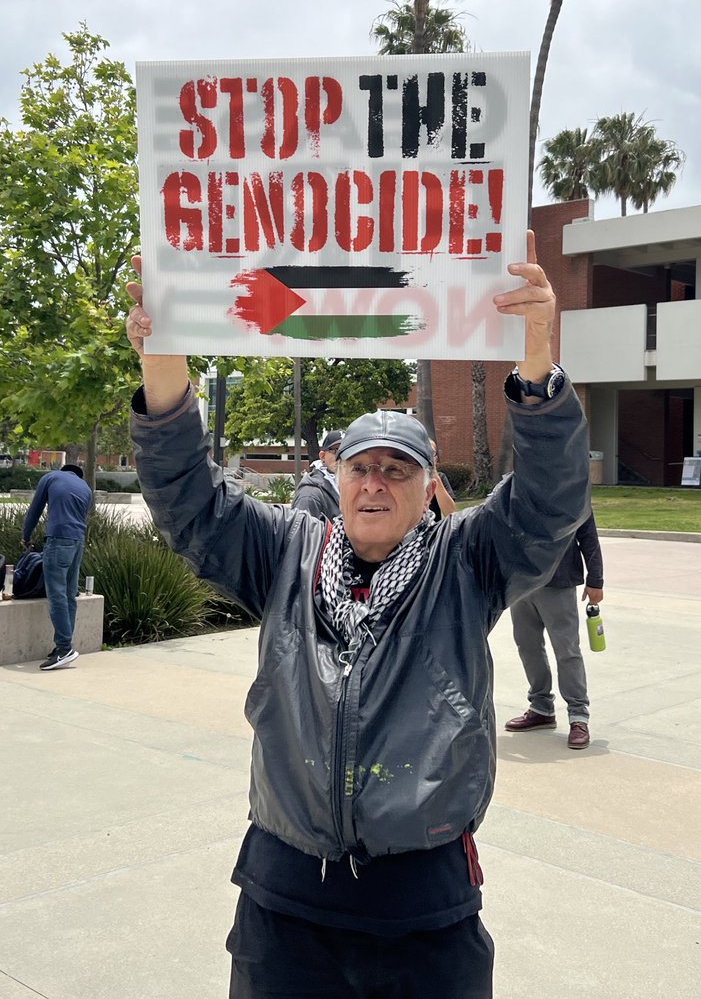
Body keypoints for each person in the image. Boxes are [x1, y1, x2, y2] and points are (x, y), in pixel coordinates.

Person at [126, 232, 589, 999]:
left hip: (423, 903)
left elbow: (547, 502)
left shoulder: (465, 564)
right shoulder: (285, 552)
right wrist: (163, 356)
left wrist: (535, 353)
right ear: (335, 478)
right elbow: (189, 503)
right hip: (284, 896)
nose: (374, 483)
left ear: (429, 488)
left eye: (396, 469)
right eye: (360, 467)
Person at [505, 512, 604, 749]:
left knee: (566, 650)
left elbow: (589, 537)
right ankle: (541, 708)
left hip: (559, 581)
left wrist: (595, 580)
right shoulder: (514, 493)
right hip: (520, 582)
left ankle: (578, 716)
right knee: (527, 646)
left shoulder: (572, 495)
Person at [21, 464, 92, 671]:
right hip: (77, 542)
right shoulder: (86, 488)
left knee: (57, 595)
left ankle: (64, 648)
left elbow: (35, 510)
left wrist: (26, 536)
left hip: (58, 539)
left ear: (63, 470)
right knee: (69, 595)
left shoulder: (51, 477)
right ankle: (64, 646)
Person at [291, 429, 344, 520]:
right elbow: (301, 527)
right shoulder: (310, 495)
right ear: (323, 456)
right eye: (336, 451)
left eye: (346, 451)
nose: (342, 457)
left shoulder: (345, 486)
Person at [429, 438, 457, 520]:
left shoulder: (440, 478)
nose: (427, 456)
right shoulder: (408, 479)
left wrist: (434, 474)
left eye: (431, 453)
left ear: (436, 458)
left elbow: (450, 513)